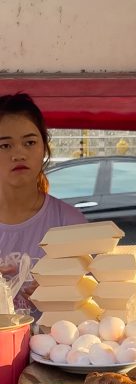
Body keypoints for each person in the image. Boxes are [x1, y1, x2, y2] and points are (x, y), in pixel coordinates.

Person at [0, 93, 85, 309]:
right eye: (4, 146)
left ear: (44, 148)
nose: (19, 154)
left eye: (29, 142)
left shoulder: (70, 223)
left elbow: (93, 303)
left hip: (59, 342)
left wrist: (60, 294)